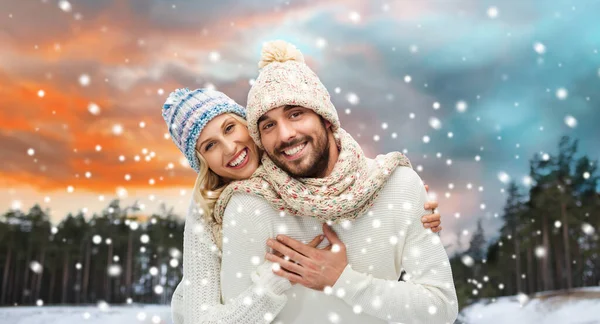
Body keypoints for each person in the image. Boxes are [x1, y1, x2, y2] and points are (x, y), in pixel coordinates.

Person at [165, 51, 443, 323]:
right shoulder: (218, 206)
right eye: (209, 146)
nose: (229, 148)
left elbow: (437, 305)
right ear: (202, 163)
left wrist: (409, 203)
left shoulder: (381, 180)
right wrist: (274, 281)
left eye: (229, 129)